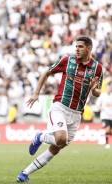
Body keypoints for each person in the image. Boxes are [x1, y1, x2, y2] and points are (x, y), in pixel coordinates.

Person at [17, 36, 103, 182]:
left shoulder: (97, 68)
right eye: (76, 46)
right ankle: (40, 137)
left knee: (57, 147)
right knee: (60, 139)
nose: (77, 49)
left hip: (76, 114)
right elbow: (47, 72)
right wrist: (36, 92)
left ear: (89, 49)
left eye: (80, 46)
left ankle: (24, 174)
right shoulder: (67, 61)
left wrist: (94, 90)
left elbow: (98, 92)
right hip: (60, 107)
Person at [96, 81, 112, 149]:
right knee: (107, 129)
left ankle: (107, 141)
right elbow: (97, 104)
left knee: (110, 131)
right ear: (105, 88)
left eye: (110, 88)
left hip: (111, 116)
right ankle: (107, 143)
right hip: (105, 116)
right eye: (107, 88)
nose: (108, 89)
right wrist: (100, 107)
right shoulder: (102, 96)